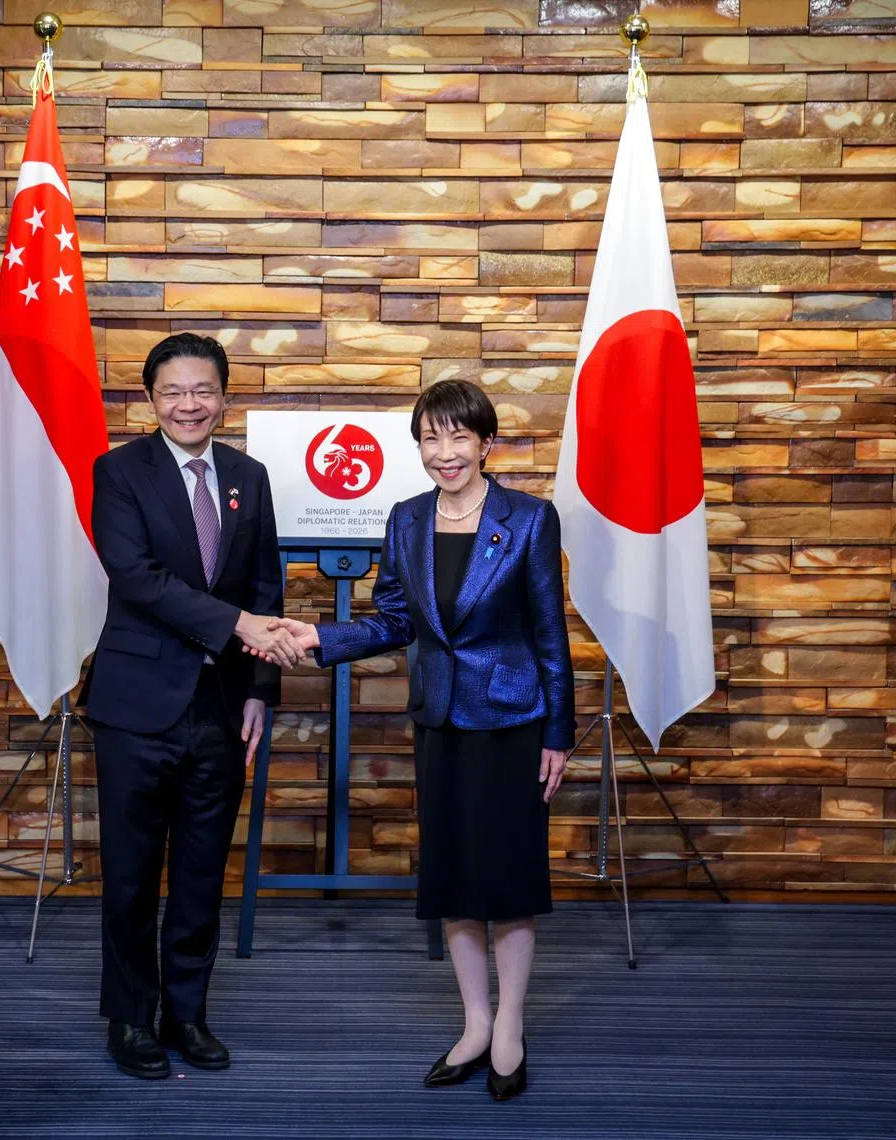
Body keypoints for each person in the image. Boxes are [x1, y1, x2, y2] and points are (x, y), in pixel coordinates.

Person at [263, 380, 575, 1101]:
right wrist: (320, 636)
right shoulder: (405, 521)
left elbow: (550, 635)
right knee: (455, 880)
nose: (445, 453)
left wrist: (558, 731)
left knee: (510, 881)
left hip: (513, 722)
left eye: (459, 437)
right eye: (430, 438)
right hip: (439, 721)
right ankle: (473, 1022)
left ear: (486, 442)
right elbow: (393, 621)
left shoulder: (529, 519)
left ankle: (510, 1029)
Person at [83, 332, 303, 1080]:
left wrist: (262, 691)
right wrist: (237, 626)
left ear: (224, 396)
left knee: (203, 872)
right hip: (135, 707)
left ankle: (187, 1014)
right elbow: (136, 577)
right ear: (150, 399)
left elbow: (266, 587)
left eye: (202, 390)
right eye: (173, 391)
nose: (188, 404)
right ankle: (129, 1019)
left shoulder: (250, 476)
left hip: (222, 708)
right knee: (133, 873)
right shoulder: (117, 472)